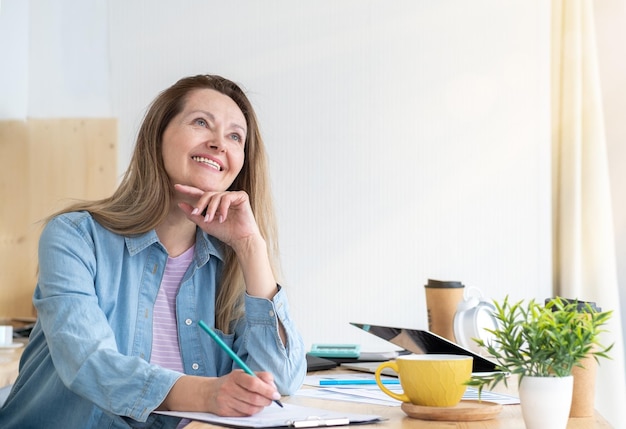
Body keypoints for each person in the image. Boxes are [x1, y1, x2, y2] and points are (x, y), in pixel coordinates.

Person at [0, 74, 306, 428]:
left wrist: (251, 247)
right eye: (201, 122)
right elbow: (88, 362)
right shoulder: (75, 237)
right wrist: (209, 394)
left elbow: (280, 379)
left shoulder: (230, 263)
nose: (219, 143)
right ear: (157, 136)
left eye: (235, 136)